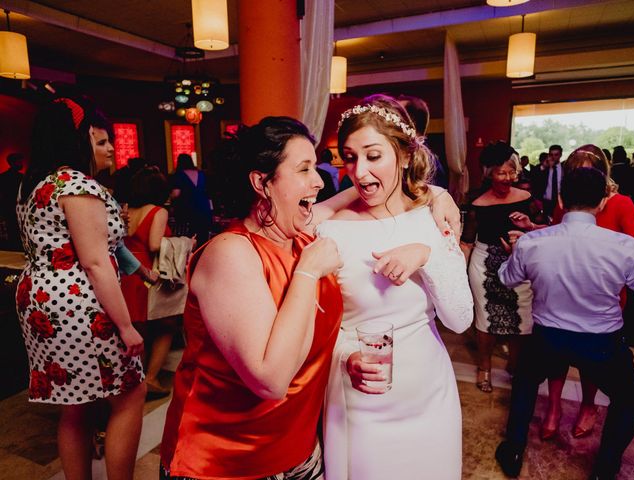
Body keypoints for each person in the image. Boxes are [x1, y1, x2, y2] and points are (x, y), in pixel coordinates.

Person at [160, 116, 463, 479]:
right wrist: (307, 272)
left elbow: (324, 330)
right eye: (304, 168)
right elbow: (270, 379)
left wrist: (433, 192)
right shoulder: (232, 252)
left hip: (299, 450)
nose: (320, 179)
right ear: (261, 182)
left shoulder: (303, 239)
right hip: (227, 461)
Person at [317, 95, 474, 480]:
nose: (359, 171)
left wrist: (427, 253)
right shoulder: (331, 228)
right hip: (362, 398)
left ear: (404, 155)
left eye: (373, 156)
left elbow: (460, 319)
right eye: (350, 157)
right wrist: (344, 357)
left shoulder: (433, 221)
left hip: (430, 393)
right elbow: (318, 326)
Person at [15, 98, 145, 480]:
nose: (109, 149)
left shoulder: (35, 183)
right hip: (77, 302)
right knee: (129, 394)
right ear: (81, 136)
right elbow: (95, 261)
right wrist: (125, 326)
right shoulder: (75, 183)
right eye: (101, 140)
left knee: (75, 404)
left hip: (40, 298)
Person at [494, 167, 634, 480]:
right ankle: (605, 468)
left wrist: (512, 255)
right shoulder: (626, 247)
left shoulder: (532, 243)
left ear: (560, 198)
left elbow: (507, 278)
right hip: (602, 343)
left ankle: (514, 450)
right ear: (602, 202)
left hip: (548, 339)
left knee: (524, 382)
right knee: (629, 399)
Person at [540, 144, 634, 441]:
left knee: (590, 356)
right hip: (564, 285)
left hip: (602, 291)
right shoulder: (566, 203)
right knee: (556, 352)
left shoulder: (620, 203)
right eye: (575, 171)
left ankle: (588, 405)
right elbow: (558, 235)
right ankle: (554, 407)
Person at [461, 141, 545, 393]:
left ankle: (515, 364)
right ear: (488, 173)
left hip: (519, 265)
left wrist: (526, 233)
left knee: (522, 318)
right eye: (502, 172)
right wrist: (460, 273)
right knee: (486, 317)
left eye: (512, 172)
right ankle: (484, 367)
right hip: (485, 264)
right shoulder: (476, 202)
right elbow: (466, 241)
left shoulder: (528, 199)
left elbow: (545, 232)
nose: (508, 178)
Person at [120, 166, 174, 398]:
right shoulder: (158, 211)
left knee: (136, 330)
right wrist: (182, 244)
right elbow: (154, 244)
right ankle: (150, 378)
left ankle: (136, 381)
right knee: (166, 326)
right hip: (148, 273)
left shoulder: (127, 210)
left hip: (126, 274)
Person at [170, 153, 213, 246]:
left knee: (189, 238)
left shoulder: (179, 175)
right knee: (203, 238)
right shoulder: (201, 174)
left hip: (188, 209)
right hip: (204, 208)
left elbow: (176, 194)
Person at [0, 152, 25, 249]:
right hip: (18, 208)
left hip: (7, 208)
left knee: (11, 232)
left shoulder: (2, 177)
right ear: (13, 162)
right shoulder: (21, 177)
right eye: (19, 161)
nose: (21, 163)